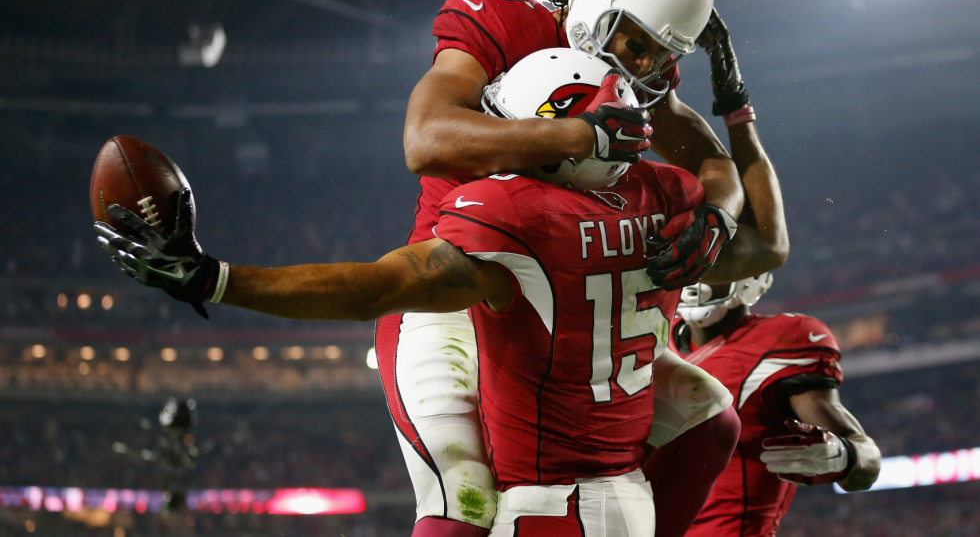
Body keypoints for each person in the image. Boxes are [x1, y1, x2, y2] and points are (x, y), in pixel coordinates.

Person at [94, 49, 745, 535]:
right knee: (711, 411)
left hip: (547, 510)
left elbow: (374, 288)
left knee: (456, 495)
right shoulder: (673, 197)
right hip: (631, 503)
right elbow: (731, 191)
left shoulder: (516, 214)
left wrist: (216, 276)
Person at [386, 0, 746, 537]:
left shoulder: (637, 77)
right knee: (463, 503)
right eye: (633, 41)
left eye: (655, 57)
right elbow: (425, 138)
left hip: (566, 311)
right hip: (465, 295)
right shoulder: (503, 21)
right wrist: (574, 132)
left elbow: (710, 160)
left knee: (709, 421)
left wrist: (718, 213)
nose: (637, 66)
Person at [669, 13, 881, 537]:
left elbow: (865, 457)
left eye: (716, 256)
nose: (701, 270)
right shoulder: (657, 335)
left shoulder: (780, 341)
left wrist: (845, 458)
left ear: (748, 272)